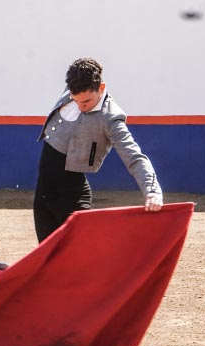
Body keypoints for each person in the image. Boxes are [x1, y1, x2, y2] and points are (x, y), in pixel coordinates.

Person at [33, 57, 163, 243]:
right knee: (49, 256)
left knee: (85, 253)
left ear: (101, 88)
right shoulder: (74, 86)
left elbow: (134, 156)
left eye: (86, 101)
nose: (81, 107)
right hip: (43, 194)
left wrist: (152, 190)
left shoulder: (111, 118)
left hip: (72, 197)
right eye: (76, 101)